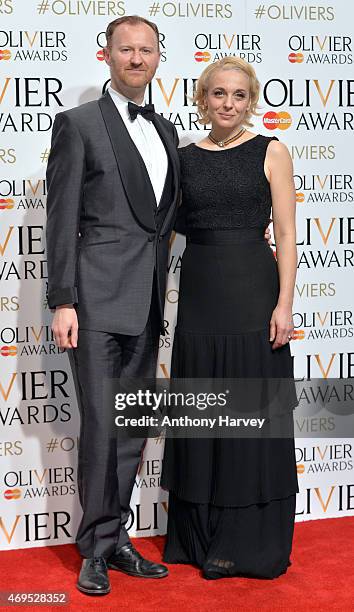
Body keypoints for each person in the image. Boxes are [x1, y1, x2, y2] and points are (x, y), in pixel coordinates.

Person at [46, 15, 181, 595]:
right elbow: (62, 218)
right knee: (103, 424)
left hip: (148, 299)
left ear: (157, 58)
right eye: (125, 49)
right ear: (105, 56)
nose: (136, 59)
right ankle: (95, 546)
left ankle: (116, 538)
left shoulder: (168, 130)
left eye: (145, 50)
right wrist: (62, 300)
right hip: (96, 301)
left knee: (132, 426)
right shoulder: (77, 124)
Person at [161, 57, 299, 580]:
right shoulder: (183, 157)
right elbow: (166, 233)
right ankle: (200, 540)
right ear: (202, 99)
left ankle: (249, 544)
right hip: (200, 297)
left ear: (252, 102)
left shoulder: (272, 151)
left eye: (239, 95)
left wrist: (284, 303)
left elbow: (285, 234)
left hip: (253, 294)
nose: (228, 103)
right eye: (218, 93)